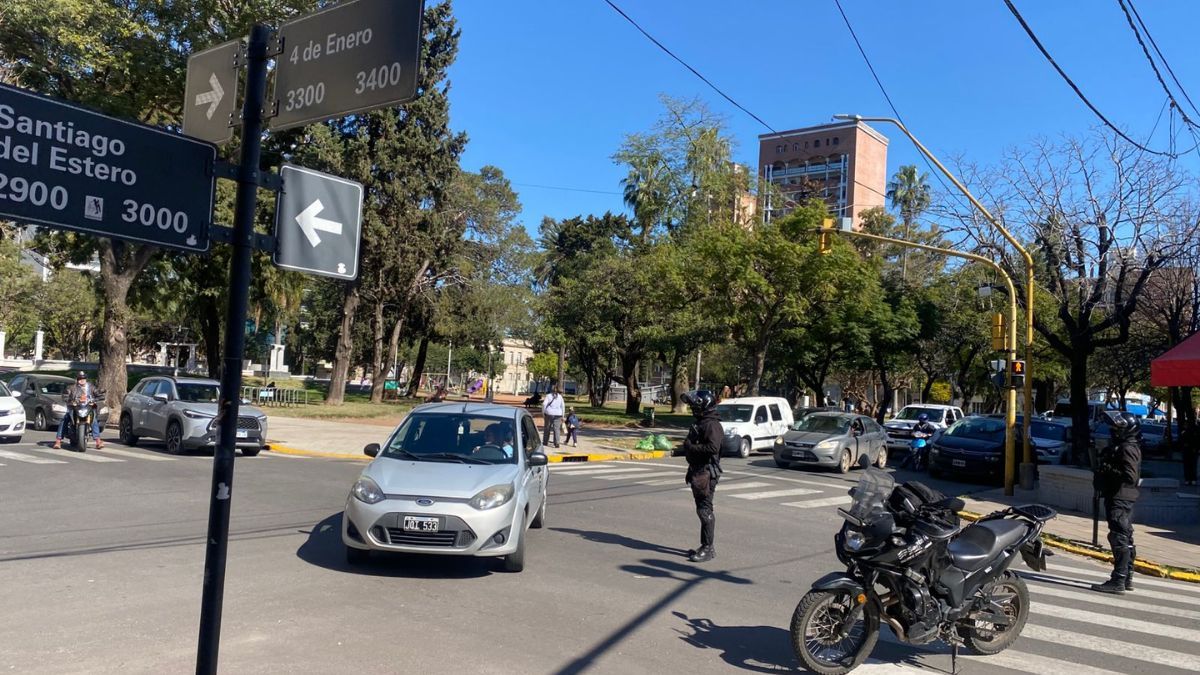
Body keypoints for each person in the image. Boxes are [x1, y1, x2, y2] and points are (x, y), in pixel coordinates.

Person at [1091, 410, 1142, 594]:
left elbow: (1130, 477)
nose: (1113, 431)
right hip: (1120, 497)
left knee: (1119, 537)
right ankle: (1126, 577)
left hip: (1120, 498)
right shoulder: (1125, 446)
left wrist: (1109, 469)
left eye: (1116, 428)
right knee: (1124, 536)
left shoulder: (1128, 447)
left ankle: (1119, 580)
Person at [680, 390, 724, 563]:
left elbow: (713, 448)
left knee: (704, 510)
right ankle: (705, 546)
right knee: (702, 508)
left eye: (695, 406)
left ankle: (708, 547)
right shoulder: (701, 422)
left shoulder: (712, 425)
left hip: (707, 472)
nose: (692, 409)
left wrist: (691, 447)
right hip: (697, 470)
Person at [54, 371, 103, 450]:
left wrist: (98, 397)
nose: (82, 380)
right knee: (65, 419)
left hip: (88, 407)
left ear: (86, 379)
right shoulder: (72, 388)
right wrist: (70, 401)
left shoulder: (91, 387)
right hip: (75, 408)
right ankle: (58, 441)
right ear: (77, 379)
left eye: (83, 378)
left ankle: (98, 441)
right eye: (80, 378)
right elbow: (65, 395)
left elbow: (97, 393)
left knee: (94, 420)